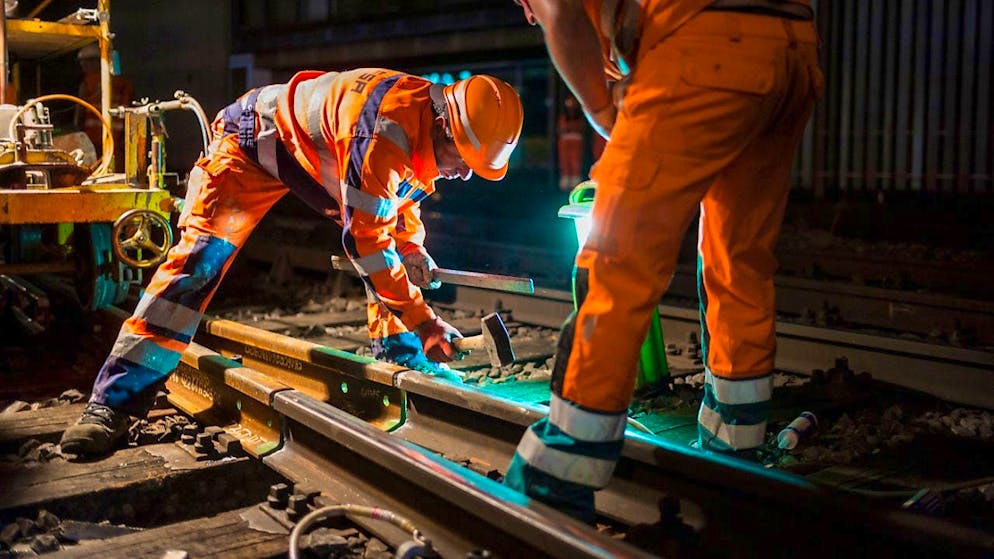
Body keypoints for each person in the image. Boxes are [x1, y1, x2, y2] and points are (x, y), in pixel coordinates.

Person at [60, 69, 524, 457]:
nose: (462, 173)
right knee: (196, 268)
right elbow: (365, 241)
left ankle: (402, 359)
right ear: (445, 126)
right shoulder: (385, 130)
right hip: (248, 147)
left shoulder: (426, 119)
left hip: (301, 154)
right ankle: (111, 404)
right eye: (461, 161)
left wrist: (412, 248)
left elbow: (398, 202)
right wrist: (424, 319)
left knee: (387, 255)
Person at [505, 0, 822, 521]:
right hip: (792, 49)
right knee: (737, 256)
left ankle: (558, 472)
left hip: (708, 48)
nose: (527, 15)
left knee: (616, 261)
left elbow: (559, 12)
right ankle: (734, 451)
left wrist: (606, 113)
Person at [74, 43, 134, 169]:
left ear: (96, 61)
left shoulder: (87, 84)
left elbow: (79, 116)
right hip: (118, 140)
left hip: (94, 141)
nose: (83, 67)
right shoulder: (125, 84)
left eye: (85, 63)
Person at [557, 95, 584, 191]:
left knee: (575, 161)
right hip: (565, 141)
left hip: (576, 141)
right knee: (565, 160)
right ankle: (565, 180)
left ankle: (575, 181)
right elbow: (561, 129)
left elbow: (579, 128)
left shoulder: (579, 118)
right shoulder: (564, 117)